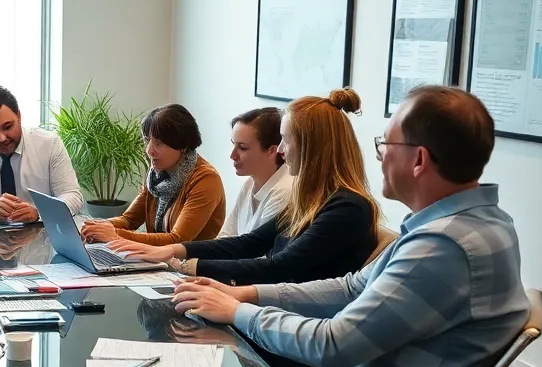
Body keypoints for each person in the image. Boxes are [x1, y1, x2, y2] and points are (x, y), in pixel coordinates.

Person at [170, 85, 527, 367]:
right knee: (219, 360)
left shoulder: (442, 247)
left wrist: (237, 312)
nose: (379, 155)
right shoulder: (470, 224)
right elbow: (351, 286)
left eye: (386, 144)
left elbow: (332, 345)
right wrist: (248, 296)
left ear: (419, 160)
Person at [109, 89, 380, 287]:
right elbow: (250, 243)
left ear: (313, 148)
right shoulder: (313, 199)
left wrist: (188, 264)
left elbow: (279, 267)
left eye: (285, 140)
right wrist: (175, 251)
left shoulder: (347, 208)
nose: (281, 151)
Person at [80, 104, 225, 246]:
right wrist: (95, 227)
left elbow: (177, 240)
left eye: (158, 143)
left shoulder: (206, 179)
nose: (149, 151)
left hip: (190, 261)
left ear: (183, 145)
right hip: (154, 257)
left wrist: (114, 235)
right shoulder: (156, 175)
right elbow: (129, 220)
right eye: (146, 140)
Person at [0, 86, 82, 222]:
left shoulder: (49, 144)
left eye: (7, 127)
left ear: (19, 116)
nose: (2, 138)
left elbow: (72, 196)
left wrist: (40, 212)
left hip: (40, 230)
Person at [220, 107, 294, 237]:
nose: (232, 155)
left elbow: (256, 247)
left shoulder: (284, 191)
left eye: (242, 148)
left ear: (272, 151)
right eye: (233, 144)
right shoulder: (249, 183)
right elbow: (226, 235)